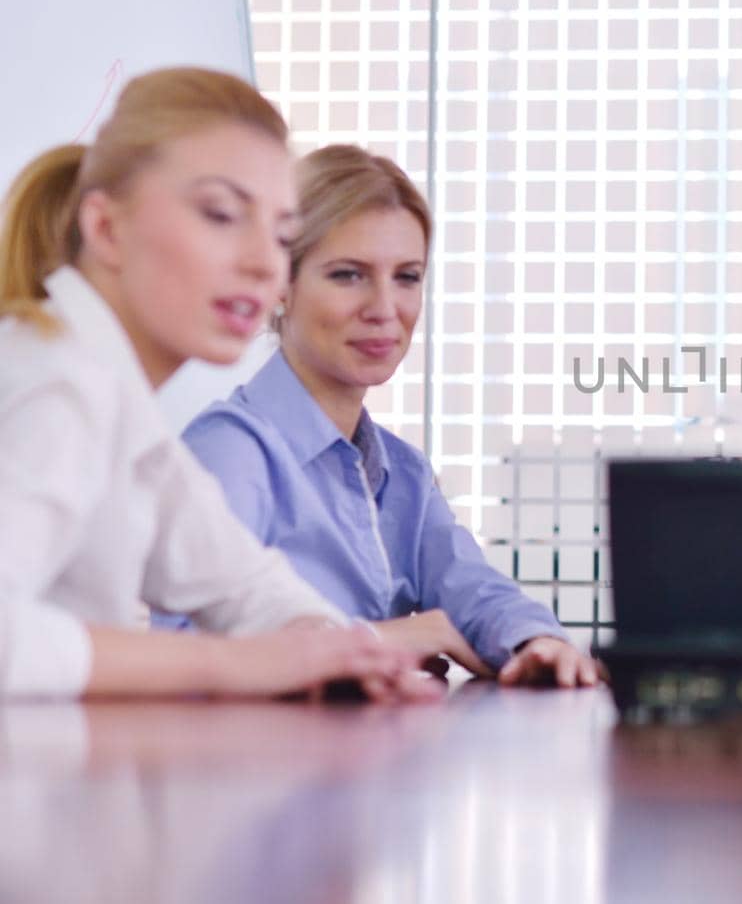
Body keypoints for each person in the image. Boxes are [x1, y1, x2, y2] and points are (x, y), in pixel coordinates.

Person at [0, 67, 435, 701]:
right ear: (106, 230)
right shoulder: (56, 387)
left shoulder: (115, 399)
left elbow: (244, 584)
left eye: (282, 235)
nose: (264, 263)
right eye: (222, 214)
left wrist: (341, 652)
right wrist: (228, 663)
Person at [176, 144, 599, 687]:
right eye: (349, 275)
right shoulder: (231, 453)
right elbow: (183, 652)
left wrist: (537, 642)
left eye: (407, 277)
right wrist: (395, 638)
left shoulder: (403, 473)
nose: (384, 308)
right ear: (280, 285)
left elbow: (472, 591)